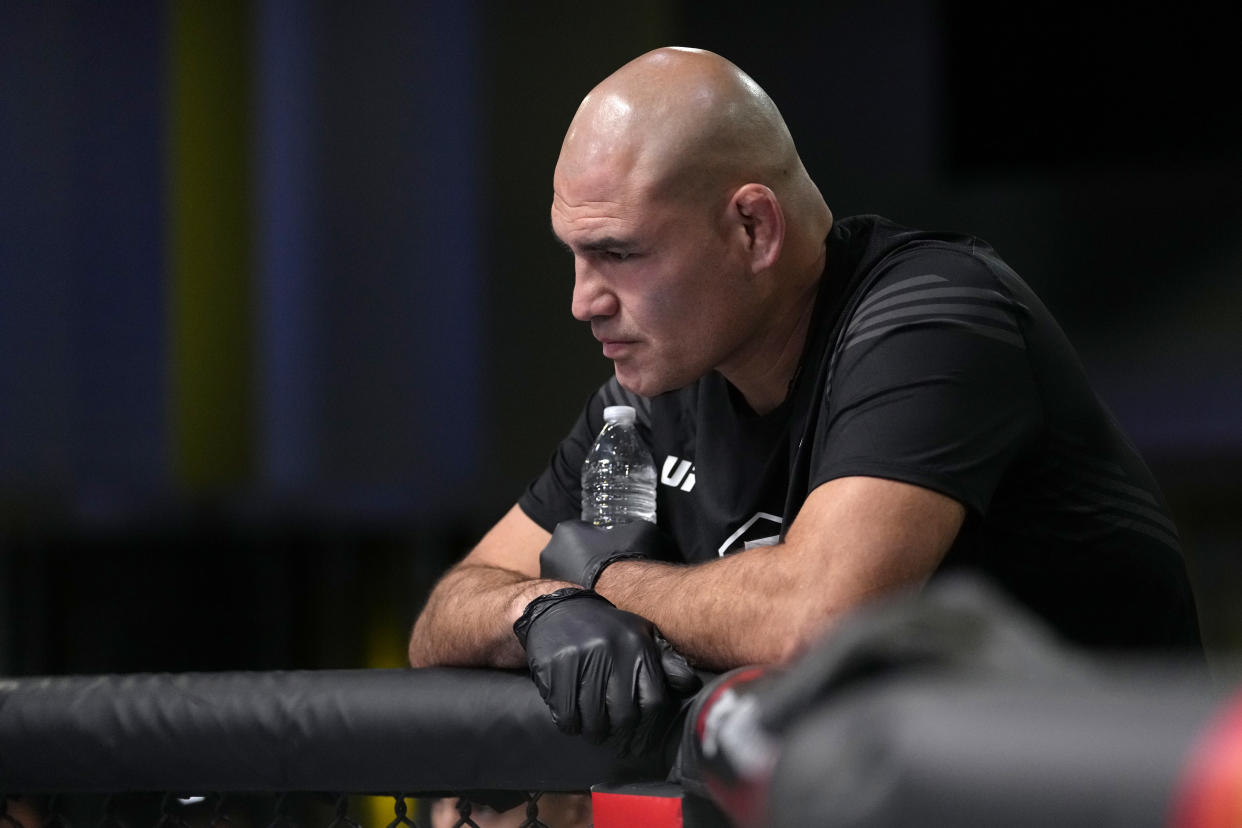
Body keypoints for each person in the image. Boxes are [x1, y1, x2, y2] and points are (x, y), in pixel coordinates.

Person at [408, 45, 1202, 763]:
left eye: (619, 253)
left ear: (753, 228)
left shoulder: (934, 318)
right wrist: (540, 607)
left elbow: (820, 616)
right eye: (575, 255)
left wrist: (606, 579)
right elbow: (444, 614)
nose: (583, 301)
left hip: (1093, 794)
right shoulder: (653, 398)